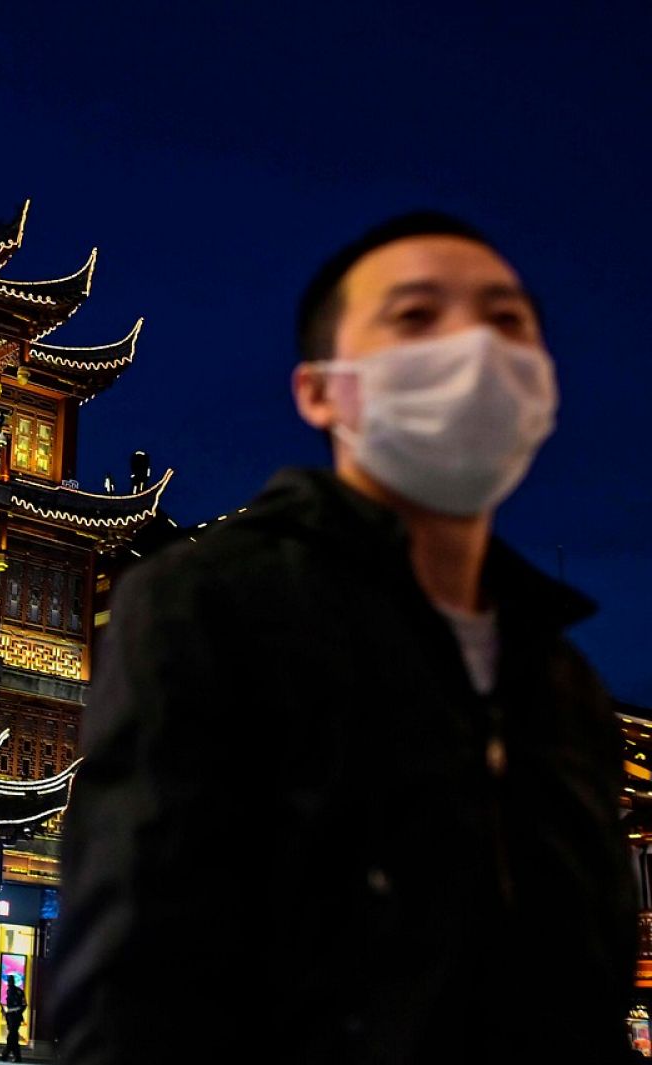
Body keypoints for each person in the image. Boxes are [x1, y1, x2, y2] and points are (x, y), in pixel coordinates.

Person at [56, 212, 636, 1064]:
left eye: (506, 321)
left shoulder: (563, 686)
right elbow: (135, 1001)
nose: (472, 348)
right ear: (320, 389)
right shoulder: (210, 605)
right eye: (417, 318)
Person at [0, 975, 25, 1062]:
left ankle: (5, 1054)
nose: (9, 983)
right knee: (13, 1037)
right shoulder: (8, 991)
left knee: (11, 1036)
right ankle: (17, 1057)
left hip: (16, 1016)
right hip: (10, 1016)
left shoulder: (18, 992)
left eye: (10, 981)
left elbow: (23, 1004)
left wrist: (18, 1012)